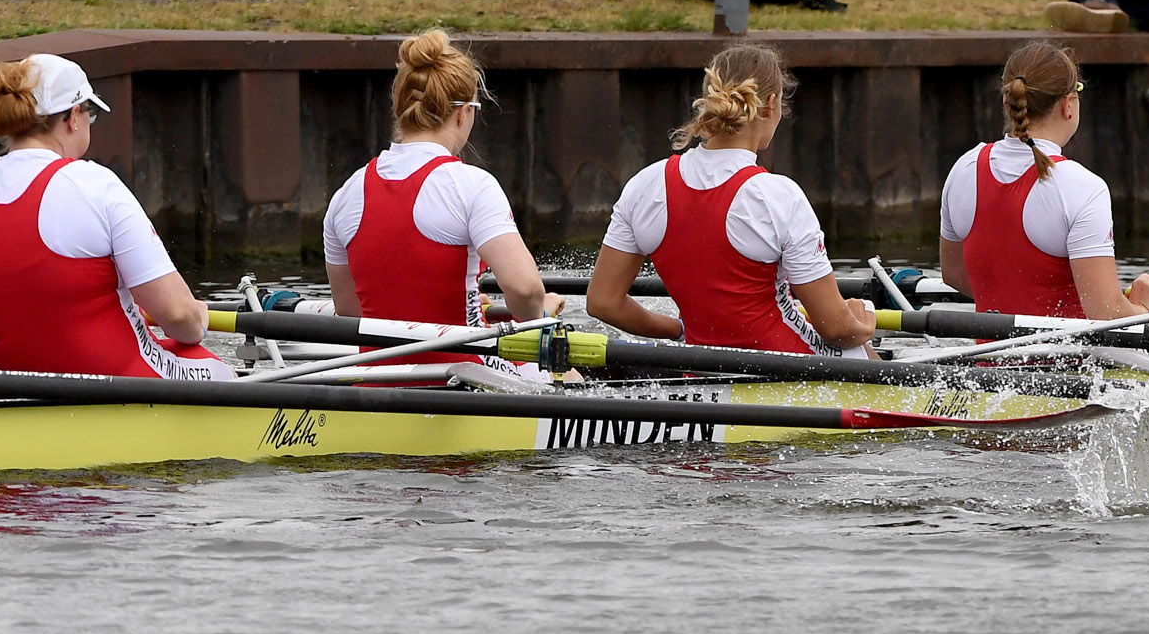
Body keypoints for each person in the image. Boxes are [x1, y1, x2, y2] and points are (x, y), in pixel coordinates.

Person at [0, 54, 232, 380]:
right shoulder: (95, 185)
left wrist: (17, 340)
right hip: (128, 389)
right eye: (90, 115)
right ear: (74, 116)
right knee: (216, 366)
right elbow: (177, 315)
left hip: (27, 398)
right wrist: (198, 318)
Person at [585, 44, 877, 357]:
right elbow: (836, 328)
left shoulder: (645, 184)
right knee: (862, 351)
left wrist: (679, 330)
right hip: (790, 372)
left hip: (699, 368)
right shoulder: (777, 195)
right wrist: (865, 324)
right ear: (771, 105)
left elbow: (603, 303)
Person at [323, 31, 562, 377]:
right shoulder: (471, 185)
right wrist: (539, 318)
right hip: (464, 379)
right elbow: (525, 289)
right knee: (569, 374)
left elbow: (349, 310)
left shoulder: (347, 193)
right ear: (464, 113)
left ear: (400, 110)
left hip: (376, 385)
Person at [938, 42, 1149, 320]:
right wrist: (1142, 306)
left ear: (1006, 101)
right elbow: (1107, 315)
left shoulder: (965, 168)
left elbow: (953, 274)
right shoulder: (1082, 187)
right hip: (1074, 362)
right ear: (1067, 105)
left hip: (987, 362)